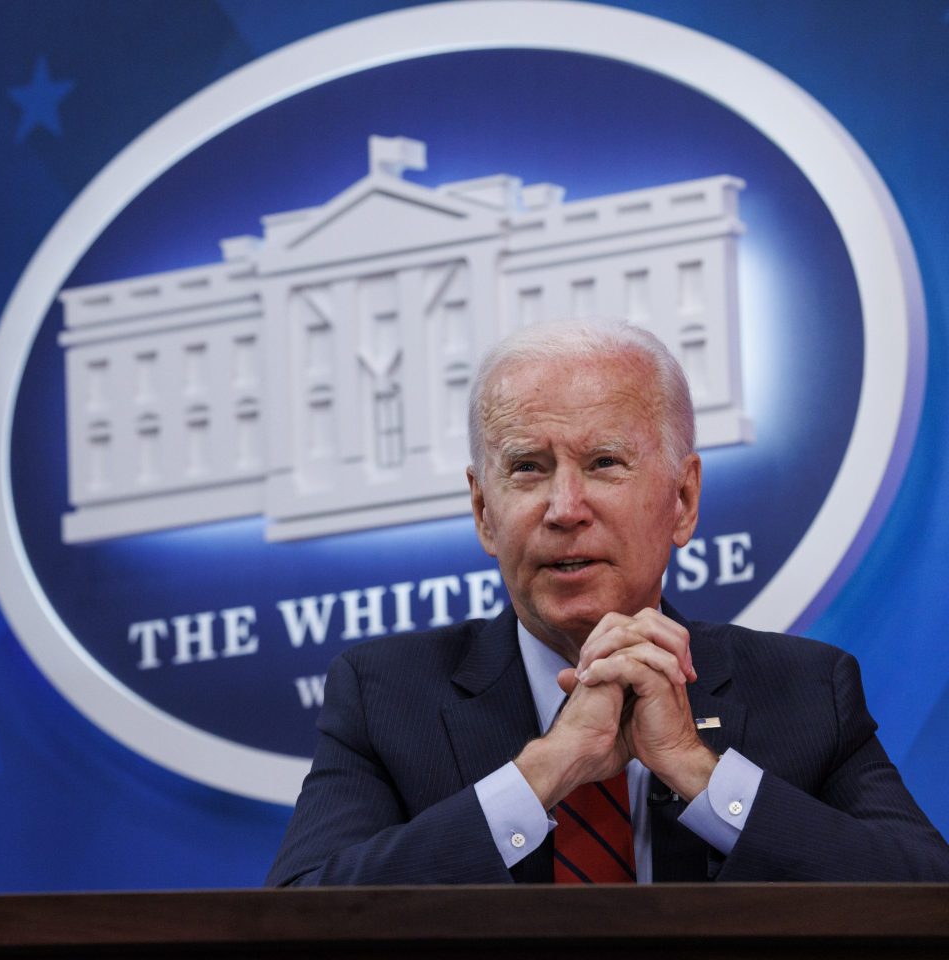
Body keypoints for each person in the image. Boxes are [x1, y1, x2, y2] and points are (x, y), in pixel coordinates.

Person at [266, 318, 949, 885]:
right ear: (483, 511)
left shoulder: (805, 692)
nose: (565, 509)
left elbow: (927, 894)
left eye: (604, 464)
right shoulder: (385, 695)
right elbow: (301, 917)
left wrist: (698, 772)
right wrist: (546, 768)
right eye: (529, 468)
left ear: (682, 502)